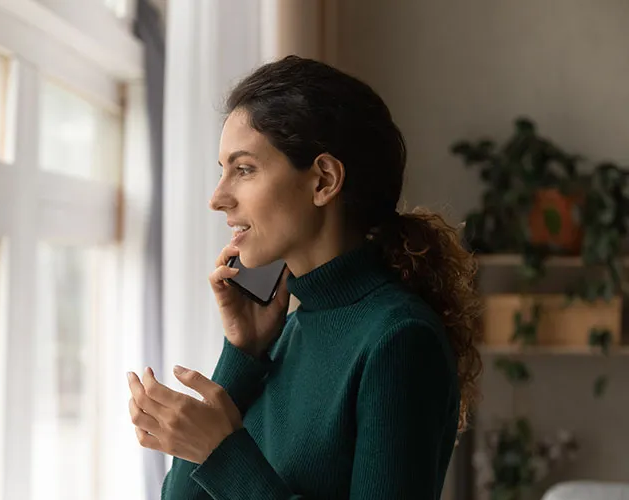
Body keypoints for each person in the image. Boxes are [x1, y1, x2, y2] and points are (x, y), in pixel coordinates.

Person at [126, 55, 483, 499]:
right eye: (223, 171)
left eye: (244, 169)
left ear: (323, 180)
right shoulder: (286, 331)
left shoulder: (400, 339)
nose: (218, 198)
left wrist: (223, 454)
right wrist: (242, 353)